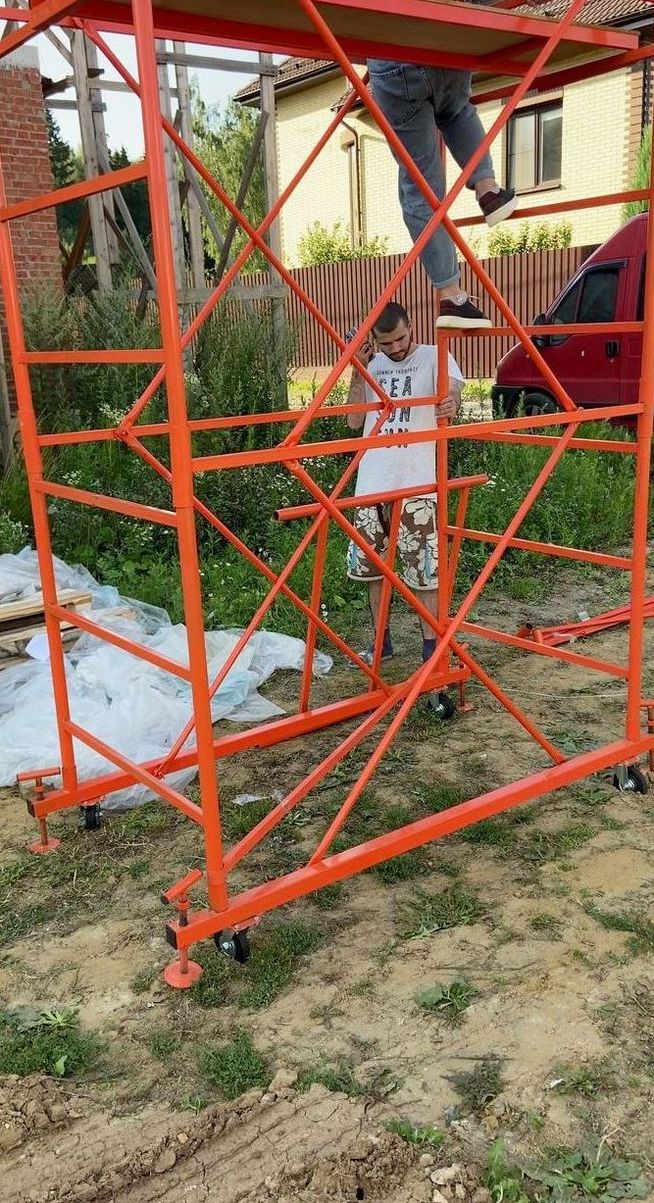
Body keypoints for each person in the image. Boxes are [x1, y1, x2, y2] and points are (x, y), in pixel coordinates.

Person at [345, 301, 463, 669]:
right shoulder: (371, 365)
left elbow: (453, 396)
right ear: (375, 340)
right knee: (373, 570)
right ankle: (381, 642)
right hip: (372, 482)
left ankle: (430, 648)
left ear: (411, 326)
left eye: (400, 338)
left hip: (417, 483)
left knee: (424, 570)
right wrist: (358, 369)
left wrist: (451, 403)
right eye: (386, 343)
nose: (395, 348)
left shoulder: (434, 357)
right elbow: (353, 422)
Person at [367, 59, 517, 329]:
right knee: (457, 111)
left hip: (394, 66)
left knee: (421, 189)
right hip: (446, 48)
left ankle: (451, 295)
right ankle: (488, 189)